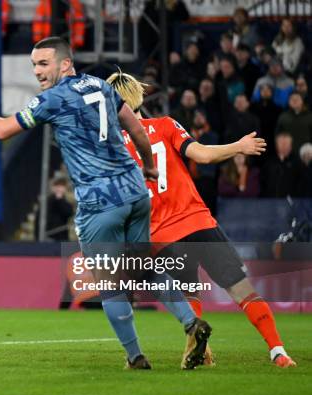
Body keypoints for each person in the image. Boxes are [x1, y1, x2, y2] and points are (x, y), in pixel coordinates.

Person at [0, 37, 211, 370]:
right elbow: (136, 129)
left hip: (100, 200)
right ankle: (191, 323)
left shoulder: (51, 100)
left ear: (65, 63)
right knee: (142, 269)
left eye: (44, 63)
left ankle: (135, 357)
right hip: (136, 191)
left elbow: (1, 130)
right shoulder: (101, 85)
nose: (37, 71)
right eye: (34, 64)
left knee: (109, 283)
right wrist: (149, 166)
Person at [108, 70, 296, 367]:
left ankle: (197, 351)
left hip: (160, 235)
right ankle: (278, 351)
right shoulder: (166, 125)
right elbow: (203, 156)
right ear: (139, 98)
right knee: (240, 289)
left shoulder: (112, 148)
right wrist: (238, 146)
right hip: (197, 221)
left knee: (185, 290)